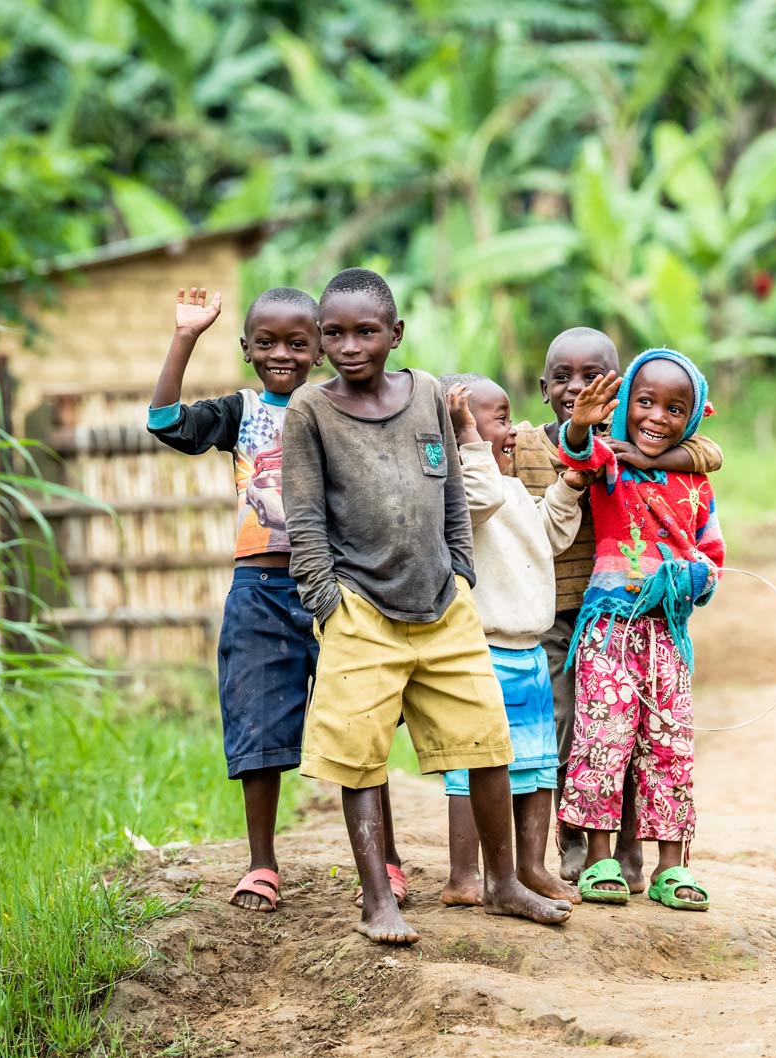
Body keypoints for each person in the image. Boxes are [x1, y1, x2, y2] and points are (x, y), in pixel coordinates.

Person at [282, 268, 572, 944]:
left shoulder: (429, 396)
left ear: (396, 334)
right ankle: (376, 898)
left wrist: (460, 574)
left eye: (366, 331)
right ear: (321, 341)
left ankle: (503, 884)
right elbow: (303, 518)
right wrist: (328, 603)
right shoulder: (310, 411)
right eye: (335, 333)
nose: (350, 345)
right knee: (359, 756)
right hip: (359, 610)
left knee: (487, 744)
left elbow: (449, 496)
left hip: (443, 605)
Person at [148, 284, 410, 912]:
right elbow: (163, 423)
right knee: (257, 724)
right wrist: (185, 336)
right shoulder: (240, 412)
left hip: (343, 588)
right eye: (266, 343)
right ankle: (262, 863)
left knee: (361, 725)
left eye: (298, 343)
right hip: (261, 589)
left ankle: (387, 862)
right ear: (246, 349)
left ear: (321, 349)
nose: (282, 355)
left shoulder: (343, 408)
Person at [510, 326, 723, 893]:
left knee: (662, 741)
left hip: (660, 630)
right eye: (563, 378)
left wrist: (695, 579)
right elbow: (577, 452)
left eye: (594, 378)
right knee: (586, 732)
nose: (579, 389)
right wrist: (582, 425)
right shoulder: (599, 458)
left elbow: (712, 538)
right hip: (582, 621)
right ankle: (584, 847)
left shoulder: (683, 472)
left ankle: (656, 860)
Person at [436, 372, 587, 911]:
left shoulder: (514, 488)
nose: (513, 432)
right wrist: (468, 439)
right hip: (482, 651)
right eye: (498, 419)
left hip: (529, 648)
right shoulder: (459, 493)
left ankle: (531, 865)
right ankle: (463, 873)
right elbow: (476, 498)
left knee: (537, 763)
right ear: (461, 430)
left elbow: (552, 532)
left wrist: (568, 484)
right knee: (472, 766)